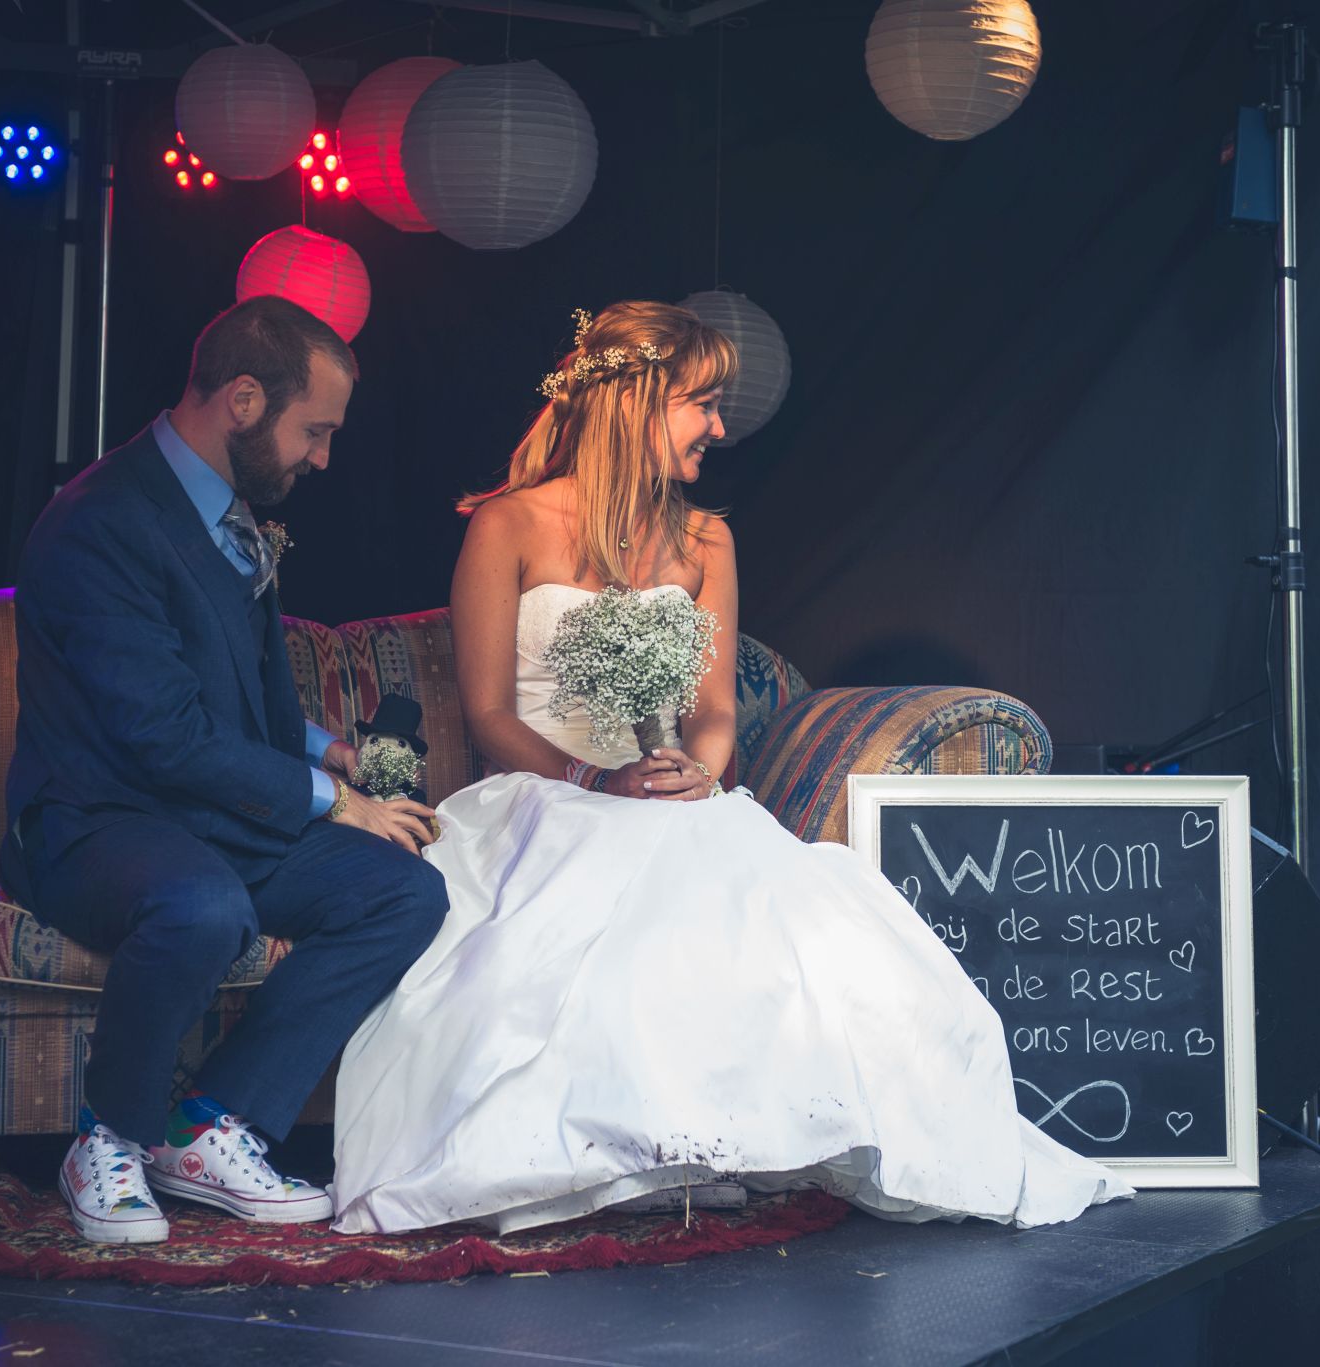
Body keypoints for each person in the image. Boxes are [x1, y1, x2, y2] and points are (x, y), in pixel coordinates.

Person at [327, 301, 1132, 1234]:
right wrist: (593, 782)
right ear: (636, 401)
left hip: (674, 794)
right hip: (549, 795)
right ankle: (621, 1152)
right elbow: (490, 713)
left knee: (797, 925)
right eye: (702, 404)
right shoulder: (508, 523)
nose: (718, 428)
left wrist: (695, 774)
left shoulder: (706, 539)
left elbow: (712, 709)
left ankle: (730, 1142)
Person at [2, 295, 447, 1244]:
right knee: (205, 906)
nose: (322, 457)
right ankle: (107, 1138)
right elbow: (163, 734)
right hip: (99, 822)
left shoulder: (228, 508)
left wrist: (324, 749)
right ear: (244, 399)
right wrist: (336, 801)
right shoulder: (100, 522)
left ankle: (207, 1125)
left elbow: (233, 693)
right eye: (314, 430)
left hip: (211, 818)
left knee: (404, 890)